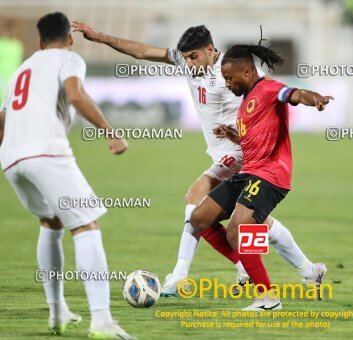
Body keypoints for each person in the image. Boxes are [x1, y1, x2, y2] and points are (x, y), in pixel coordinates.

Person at [71, 22, 327, 295]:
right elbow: (142, 51)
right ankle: (309, 270)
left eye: (194, 57)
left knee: (195, 200)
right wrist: (100, 37)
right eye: (186, 58)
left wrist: (300, 102)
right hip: (223, 152)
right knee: (259, 223)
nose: (190, 64)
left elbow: (269, 94)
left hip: (240, 153)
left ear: (209, 49)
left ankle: (181, 274)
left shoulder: (234, 69)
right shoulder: (187, 63)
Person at [0, 12, 133, 339]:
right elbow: (76, 95)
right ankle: (101, 321)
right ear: (69, 39)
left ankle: (58, 310)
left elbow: (3, 118)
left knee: (51, 221)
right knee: (87, 225)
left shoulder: (21, 69)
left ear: (38, 40)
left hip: (11, 157)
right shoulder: (68, 58)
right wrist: (109, 131)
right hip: (46, 151)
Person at [190, 43, 333, 310]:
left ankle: (268, 298)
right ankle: (297, 270)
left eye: (230, 78)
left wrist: (316, 99)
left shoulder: (268, 89)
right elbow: (254, 139)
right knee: (199, 218)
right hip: (249, 173)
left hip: (270, 175)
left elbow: (296, 94)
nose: (228, 83)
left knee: (239, 230)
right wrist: (234, 136)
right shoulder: (246, 103)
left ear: (246, 70)